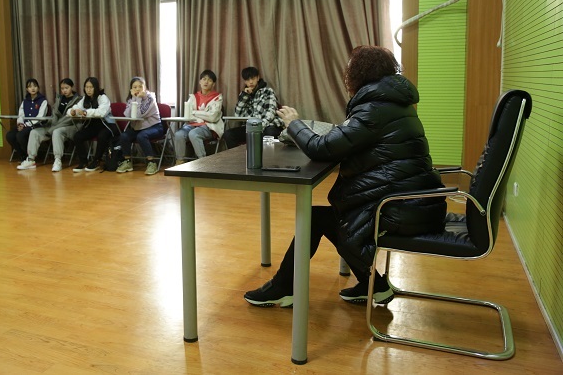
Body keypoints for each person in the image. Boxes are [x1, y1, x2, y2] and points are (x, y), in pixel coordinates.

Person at [243, 46, 446, 308]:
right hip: (415, 202)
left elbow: (321, 148)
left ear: (359, 73)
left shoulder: (375, 108)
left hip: (400, 208)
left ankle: (283, 287)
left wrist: (294, 124)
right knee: (328, 217)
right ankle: (374, 285)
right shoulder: (394, 102)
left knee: (318, 218)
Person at [17, 78, 81, 172]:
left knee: (56, 132)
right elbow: (54, 114)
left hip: (70, 126)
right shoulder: (59, 98)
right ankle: (30, 160)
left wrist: (54, 127)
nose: (64, 90)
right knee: (34, 132)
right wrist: (51, 125)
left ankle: (57, 160)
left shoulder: (78, 100)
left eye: (66, 88)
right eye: (62, 88)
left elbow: (69, 118)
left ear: (72, 87)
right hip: (53, 125)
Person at [222, 66, 284, 149]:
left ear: (258, 78)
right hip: (251, 127)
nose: (251, 82)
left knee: (270, 133)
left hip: (268, 125)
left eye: (253, 78)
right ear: (245, 81)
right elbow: (238, 115)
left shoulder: (267, 91)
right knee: (228, 134)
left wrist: (259, 127)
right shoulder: (244, 95)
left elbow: (270, 113)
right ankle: (239, 156)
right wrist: (244, 97)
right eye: (248, 80)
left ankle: (267, 156)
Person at [115, 77, 164, 175]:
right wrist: (134, 99)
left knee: (141, 136)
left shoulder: (150, 98)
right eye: (135, 87)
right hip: (138, 128)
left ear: (145, 88)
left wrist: (137, 99)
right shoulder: (131, 99)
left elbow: (139, 114)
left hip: (155, 127)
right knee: (124, 136)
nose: (138, 89)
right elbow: (127, 114)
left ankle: (152, 163)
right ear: (131, 89)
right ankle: (127, 162)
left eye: (140, 86)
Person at [69, 77, 119, 173]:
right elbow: (75, 107)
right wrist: (72, 111)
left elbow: (101, 113)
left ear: (96, 87)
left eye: (91, 87)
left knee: (102, 136)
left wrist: (85, 112)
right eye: (86, 87)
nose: (88, 90)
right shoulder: (85, 99)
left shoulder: (103, 97)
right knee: (77, 136)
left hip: (107, 125)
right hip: (93, 126)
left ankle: (96, 161)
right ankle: (83, 161)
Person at [173, 70, 223, 164]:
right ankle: (180, 161)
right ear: (200, 81)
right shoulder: (193, 97)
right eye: (204, 79)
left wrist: (195, 112)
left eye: (209, 80)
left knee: (194, 134)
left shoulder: (217, 97)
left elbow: (212, 117)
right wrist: (203, 114)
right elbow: (188, 114)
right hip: (191, 125)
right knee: (178, 134)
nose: (206, 82)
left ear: (213, 84)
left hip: (208, 126)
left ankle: (202, 162)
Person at [6, 78, 49, 162]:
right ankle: (22, 154)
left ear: (38, 88)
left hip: (35, 126)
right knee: (10, 135)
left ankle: (30, 155)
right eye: (30, 87)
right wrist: (20, 124)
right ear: (27, 89)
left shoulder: (43, 101)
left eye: (35, 86)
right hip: (24, 126)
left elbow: (40, 117)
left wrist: (26, 125)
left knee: (20, 135)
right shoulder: (25, 101)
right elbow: (21, 115)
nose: (32, 88)